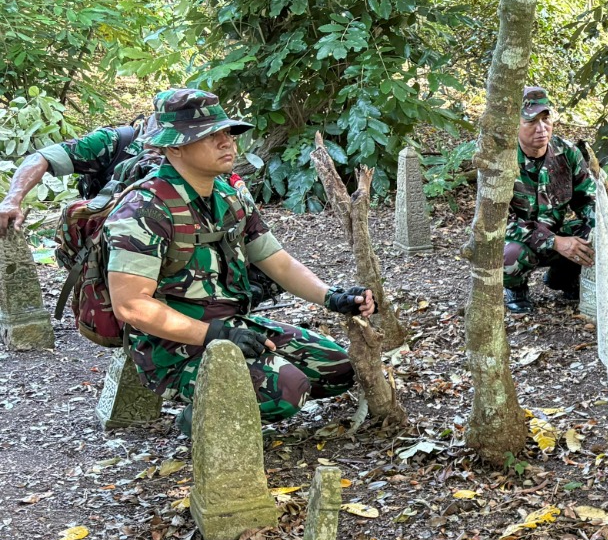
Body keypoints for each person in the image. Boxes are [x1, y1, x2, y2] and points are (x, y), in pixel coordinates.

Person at [104, 89, 374, 427]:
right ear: (174, 146)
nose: (227, 143)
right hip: (172, 348)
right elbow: (131, 306)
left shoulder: (230, 194)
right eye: (209, 136)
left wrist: (331, 297)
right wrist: (214, 335)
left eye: (227, 133)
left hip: (234, 327)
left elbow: (276, 260)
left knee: (340, 368)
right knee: (287, 390)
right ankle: (198, 420)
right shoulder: (144, 209)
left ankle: (235, 396)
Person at [503, 85, 596, 313]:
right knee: (509, 255)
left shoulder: (567, 152)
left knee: (601, 234)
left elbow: (588, 199)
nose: (542, 128)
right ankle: (516, 287)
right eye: (531, 122)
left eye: (546, 119)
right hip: (521, 240)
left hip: (558, 230)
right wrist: (555, 242)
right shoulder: (500, 162)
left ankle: (563, 279)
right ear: (515, 125)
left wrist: (597, 228)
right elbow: (503, 224)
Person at [0, 117, 159, 234]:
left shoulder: (182, 149)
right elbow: (40, 158)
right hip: (109, 236)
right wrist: (12, 199)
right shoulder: (112, 142)